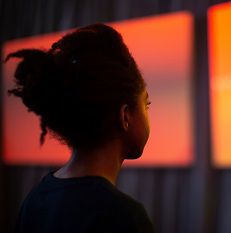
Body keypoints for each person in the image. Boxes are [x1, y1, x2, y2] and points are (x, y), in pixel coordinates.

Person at [7, 23, 154, 233]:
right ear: (125, 116)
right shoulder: (124, 217)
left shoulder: (36, 198)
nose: (148, 113)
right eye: (146, 104)